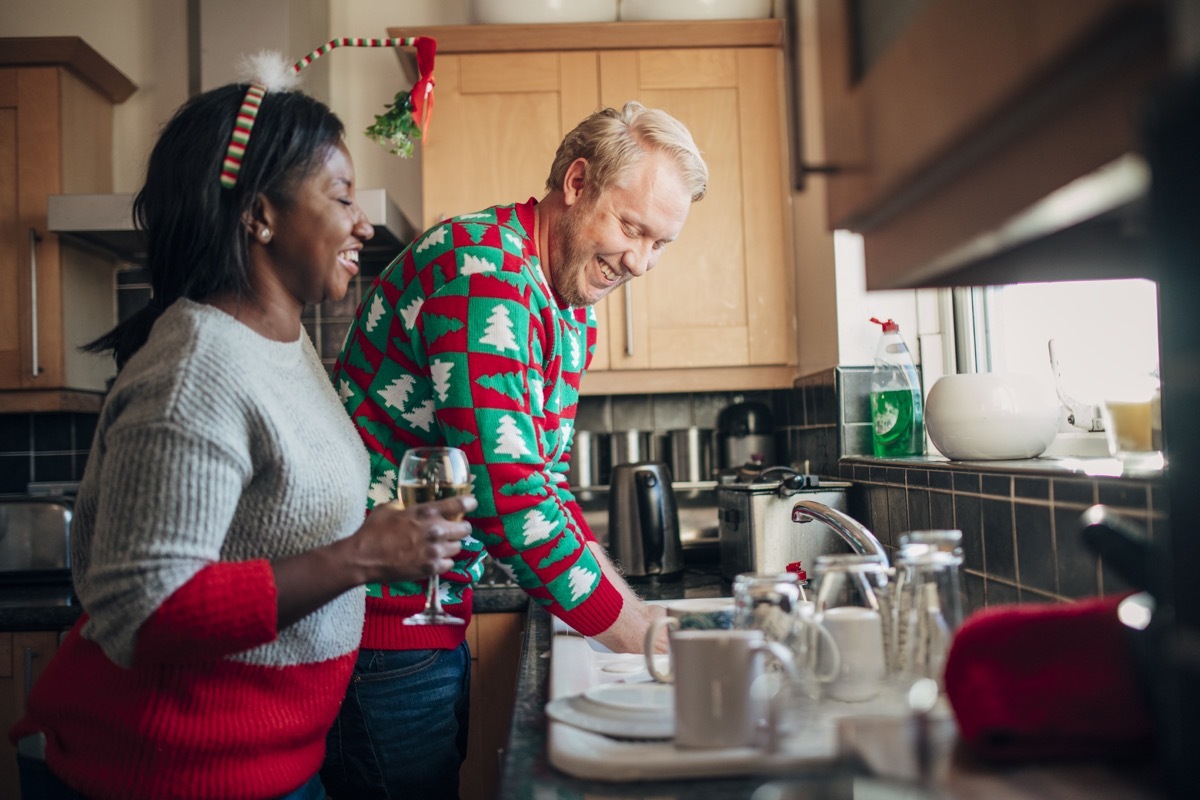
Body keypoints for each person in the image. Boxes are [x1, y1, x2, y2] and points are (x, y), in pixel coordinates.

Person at [8, 79, 472, 800]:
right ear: (259, 214)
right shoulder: (197, 369)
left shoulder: (281, 346)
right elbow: (146, 605)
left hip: (271, 764)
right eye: (342, 196)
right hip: (168, 775)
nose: (365, 226)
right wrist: (361, 556)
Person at [324, 100, 709, 799]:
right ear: (576, 182)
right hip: (375, 623)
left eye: (661, 243)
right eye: (632, 227)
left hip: (427, 617)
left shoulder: (568, 305)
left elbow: (544, 482)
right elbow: (510, 499)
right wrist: (645, 641)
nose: (641, 262)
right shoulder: (484, 278)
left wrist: (642, 620)